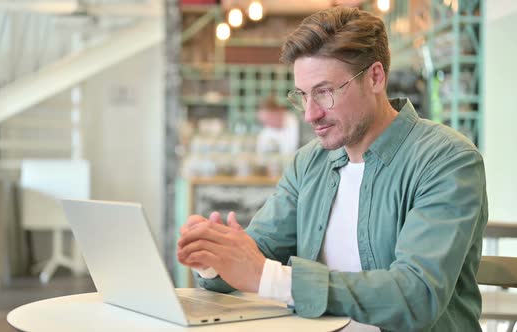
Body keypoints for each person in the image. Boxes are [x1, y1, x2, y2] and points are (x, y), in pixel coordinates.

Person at [177, 7, 487, 331]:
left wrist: (270, 277)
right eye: (302, 95)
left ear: (375, 77)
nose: (310, 114)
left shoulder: (447, 160)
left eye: (324, 93)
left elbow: (417, 295)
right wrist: (215, 258)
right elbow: (256, 253)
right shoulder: (309, 163)